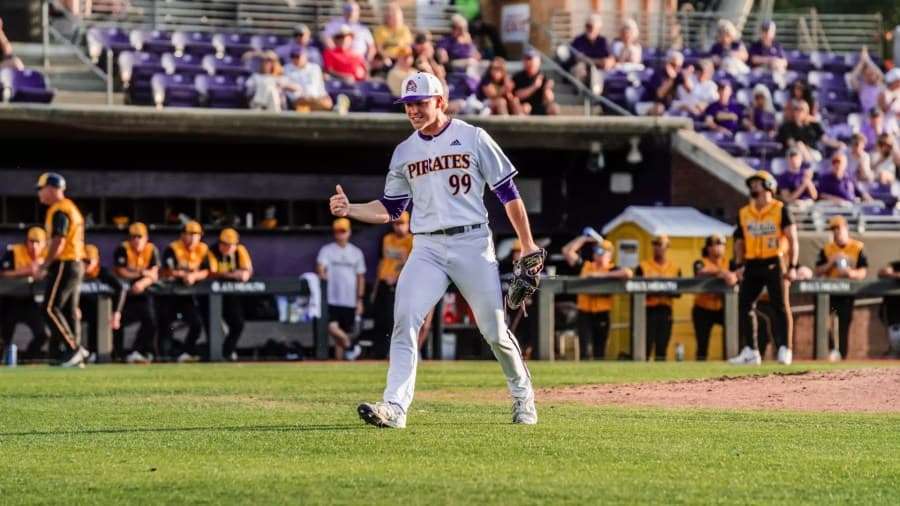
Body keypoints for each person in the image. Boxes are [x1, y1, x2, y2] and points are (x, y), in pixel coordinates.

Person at [329, 72, 538, 428]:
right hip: (426, 245)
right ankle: (394, 407)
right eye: (408, 105)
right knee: (405, 319)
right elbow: (392, 209)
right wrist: (352, 209)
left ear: (440, 101)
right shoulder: (404, 151)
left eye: (420, 103)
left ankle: (523, 398)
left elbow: (507, 192)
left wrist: (528, 242)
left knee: (494, 331)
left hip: (473, 242)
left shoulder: (473, 137)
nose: (413, 111)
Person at [729, 171, 798, 365]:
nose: (753, 186)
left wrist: (792, 265)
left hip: (774, 261)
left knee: (780, 306)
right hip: (752, 263)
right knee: (744, 305)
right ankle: (751, 351)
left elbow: (793, 238)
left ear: (768, 186)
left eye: (757, 183)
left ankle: (785, 348)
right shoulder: (744, 212)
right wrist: (740, 264)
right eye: (752, 184)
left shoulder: (780, 209)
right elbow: (739, 241)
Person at [36, 172, 88, 367]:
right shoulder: (70, 207)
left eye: (41, 189)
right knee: (68, 310)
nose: (39, 193)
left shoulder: (60, 209)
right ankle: (75, 356)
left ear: (52, 189)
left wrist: (44, 265)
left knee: (49, 308)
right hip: (76, 262)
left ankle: (74, 349)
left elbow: (59, 241)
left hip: (66, 262)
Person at [370, 211, 432, 358]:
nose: (399, 227)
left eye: (402, 223)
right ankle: (387, 352)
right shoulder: (386, 239)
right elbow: (382, 263)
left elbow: (411, 263)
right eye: (396, 223)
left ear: (408, 223)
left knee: (410, 319)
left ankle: (413, 351)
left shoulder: (413, 240)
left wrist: (397, 275)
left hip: (405, 283)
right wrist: (375, 288)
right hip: (386, 283)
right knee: (386, 320)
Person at [561, 234, 632, 360]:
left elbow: (627, 273)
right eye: (596, 250)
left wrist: (600, 275)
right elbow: (567, 251)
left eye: (602, 252)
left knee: (600, 350)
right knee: (585, 350)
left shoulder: (611, 269)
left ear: (609, 255)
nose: (598, 254)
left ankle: (599, 379)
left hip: (602, 314)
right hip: (584, 313)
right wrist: (583, 239)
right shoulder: (586, 266)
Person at [814, 216, 868, 361]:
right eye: (833, 229)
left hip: (847, 291)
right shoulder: (827, 249)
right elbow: (817, 271)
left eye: (839, 228)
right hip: (830, 291)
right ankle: (831, 349)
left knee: (845, 323)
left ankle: (842, 355)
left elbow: (863, 271)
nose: (837, 232)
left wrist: (851, 273)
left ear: (846, 228)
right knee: (824, 321)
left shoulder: (857, 247)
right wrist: (830, 263)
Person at [159, 220, 212, 362]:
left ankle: (186, 352)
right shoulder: (173, 248)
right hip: (168, 294)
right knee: (165, 325)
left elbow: (207, 270)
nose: (194, 237)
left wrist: (194, 275)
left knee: (196, 323)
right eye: (190, 234)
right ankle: (164, 357)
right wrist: (184, 275)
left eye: (197, 234)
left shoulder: (203, 248)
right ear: (183, 235)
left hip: (186, 296)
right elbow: (168, 271)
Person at [316, 218, 365, 361]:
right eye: (337, 231)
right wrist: (322, 273)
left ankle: (341, 363)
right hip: (332, 298)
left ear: (349, 232)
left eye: (343, 231)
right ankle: (350, 347)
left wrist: (359, 299)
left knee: (340, 338)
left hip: (349, 299)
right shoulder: (327, 250)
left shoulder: (356, 252)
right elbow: (320, 267)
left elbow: (360, 277)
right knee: (332, 328)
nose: (340, 234)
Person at [112, 222, 160, 364]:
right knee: (116, 322)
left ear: (146, 238)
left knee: (151, 321)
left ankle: (138, 351)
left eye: (140, 237)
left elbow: (155, 273)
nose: (136, 240)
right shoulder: (123, 248)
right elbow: (121, 271)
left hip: (141, 294)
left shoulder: (151, 249)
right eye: (133, 237)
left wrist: (142, 282)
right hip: (123, 296)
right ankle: (118, 354)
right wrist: (141, 273)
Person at [0, 227, 50, 359]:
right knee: (4, 336)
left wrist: (43, 270)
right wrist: (27, 270)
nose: (34, 246)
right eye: (31, 242)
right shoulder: (14, 251)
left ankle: (26, 358)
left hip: (31, 302)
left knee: (43, 334)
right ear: (26, 242)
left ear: (44, 243)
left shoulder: (48, 256)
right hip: (11, 302)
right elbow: (3, 273)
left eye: (37, 242)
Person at [634, 234, 682, 361]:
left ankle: (660, 379)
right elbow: (636, 288)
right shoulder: (643, 266)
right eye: (655, 245)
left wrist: (657, 287)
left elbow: (679, 292)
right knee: (646, 344)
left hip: (666, 309)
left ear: (667, 247)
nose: (658, 248)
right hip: (649, 310)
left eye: (661, 245)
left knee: (662, 346)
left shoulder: (674, 268)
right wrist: (662, 288)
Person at [209, 228, 253, 361]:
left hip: (230, 293)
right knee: (211, 326)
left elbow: (248, 269)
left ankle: (227, 353)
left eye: (231, 245)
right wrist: (233, 274)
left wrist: (245, 274)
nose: (227, 248)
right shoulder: (212, 250)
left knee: (237, 324)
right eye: (224, 244)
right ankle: (213, 355)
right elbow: (212, 271)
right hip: (210, 294)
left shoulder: (240, 250)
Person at [692, 234, 737, 361]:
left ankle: (730, 360)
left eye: (720, 244)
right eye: (713, 245)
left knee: (732, 334)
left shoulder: (729, 262)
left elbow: (738, 272)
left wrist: (730, 274)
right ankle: (699, 371)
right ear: (708, 248)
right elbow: (700, 272)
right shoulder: (701, 262)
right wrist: (721, 273)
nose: (717, 248)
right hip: (703, 308)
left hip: (723, 308)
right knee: (702, 343)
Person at [79, 244, 127, 360]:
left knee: (104, 318)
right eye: (83, 261)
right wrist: (73, 306)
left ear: (97, 261)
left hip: (98, 311)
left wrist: (117, 312)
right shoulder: (74, 273)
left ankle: (115, 355)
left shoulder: (103, 273)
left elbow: (121, 289)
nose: (86, 265)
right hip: (78, 309)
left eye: (89, 261)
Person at [282, 48, 333, 112]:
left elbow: (314, 89)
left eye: (297, 56)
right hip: (299, 100)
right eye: (293, 56)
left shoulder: (314, 68)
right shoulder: (286, 69)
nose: (295, 59)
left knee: (327, 103)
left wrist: (309, 97)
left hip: (317, 98)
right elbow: (287, 88)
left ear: (305, 56)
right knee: (323, 104)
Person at [512, 49, 559, 116]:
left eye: (531, 59)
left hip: (539, 106)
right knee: (525, 107)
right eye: (527, 59)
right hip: (523, 106)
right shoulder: (518, 77)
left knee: (554, 107)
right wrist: (534, 87)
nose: (529, 62)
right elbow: (517, 95)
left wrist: (547, 89)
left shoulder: (544, 77)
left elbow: (549, 99)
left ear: (538, 61)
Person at [567, 13, 614, 79]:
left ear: (598, 29)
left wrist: (608, 62)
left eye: (591, 27)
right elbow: (579, 59)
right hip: (583, 70)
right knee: (580, 68)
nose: (589, 29)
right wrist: (599, 62)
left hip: (599, 71)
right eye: (587, 26)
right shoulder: (578, 40)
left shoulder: (603, 41)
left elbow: (611, 59)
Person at [644, 50, 685, 116]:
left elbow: (690, 91)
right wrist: (671, 79)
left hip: (667, 105)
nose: (676, 68)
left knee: (686, 107)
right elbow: (660, 95)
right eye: (673, 65)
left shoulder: (679, 73)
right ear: (667, 63)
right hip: (648, 103)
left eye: (679, 66)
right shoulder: (659, 73)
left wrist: (686, 78)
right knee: (659, 109)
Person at [850, 46, 884, 115]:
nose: (870, 76)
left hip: (879, 117)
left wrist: (868, 60)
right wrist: (862, 61)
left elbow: (880, 75)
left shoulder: (880, 86)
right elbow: (852, 78)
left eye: (872, 74)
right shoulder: (861, 88)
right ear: (863, 76)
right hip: (867, 118)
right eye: (867, 74)